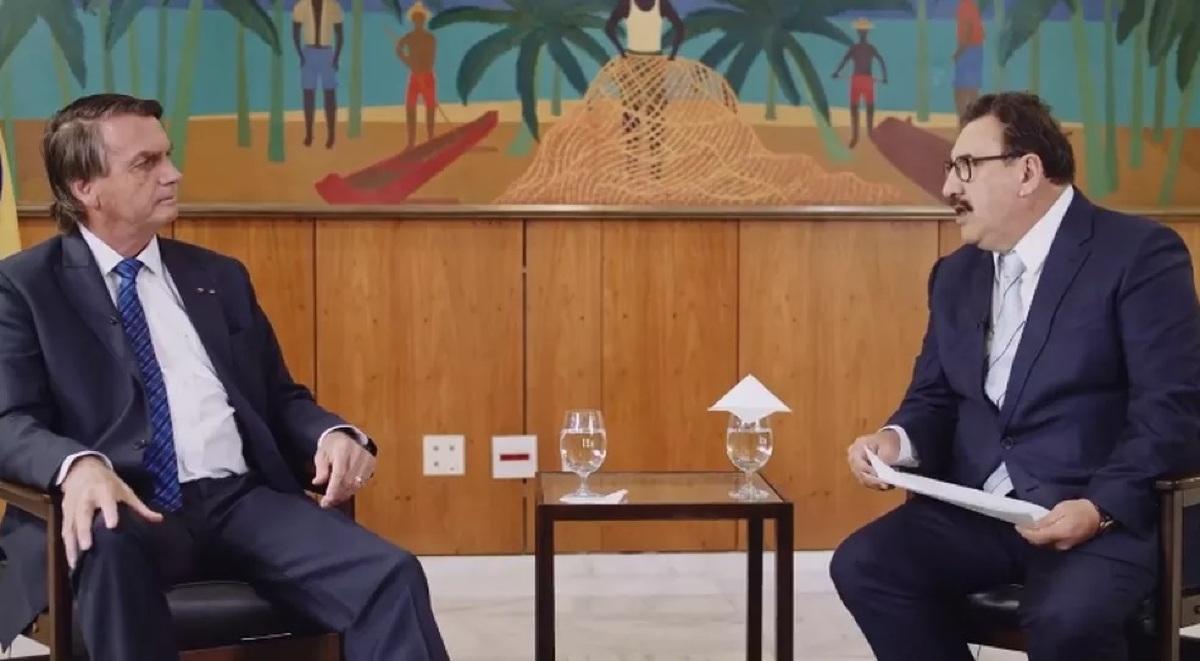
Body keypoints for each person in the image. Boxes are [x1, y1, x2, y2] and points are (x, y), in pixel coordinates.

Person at [0, 94, 449, 661]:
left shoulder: (218, 276)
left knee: (389, 574)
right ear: (85, 187)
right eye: (146, 163)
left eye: (168, 156)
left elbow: (278, 398)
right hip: (126, 505)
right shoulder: (24, 287)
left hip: (238, 500)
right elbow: (8, 422)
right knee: (104, 542)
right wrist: (77, 465)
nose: (172, 174)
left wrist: (331, 434)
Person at [831, 91, 1200, 661]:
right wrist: (894, 441)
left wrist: (1099, 508)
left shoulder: (1139, 255)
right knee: (866, 566)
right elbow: (934, 398)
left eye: (965, 167)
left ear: (1027, 171)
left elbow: (1169, 408)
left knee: (1066, 620)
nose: (948, 187)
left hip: (1097, 514)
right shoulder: (955, 275)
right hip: (982, 510)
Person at [293, 0, 344, 148]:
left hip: (327, 52)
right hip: (308, 52)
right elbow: (295, 32)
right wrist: (300, 55)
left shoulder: (333, 6)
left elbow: (339, 34)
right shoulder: (301, 6)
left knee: (330, 95)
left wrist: (336, 57)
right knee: (308, 94)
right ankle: (309, 134)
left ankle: (331, 135)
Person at [832, 18, 889, 149]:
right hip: (866, 80)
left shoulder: (855, 48)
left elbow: (844, 61)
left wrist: (836, 73)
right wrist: (884, 77)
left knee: (855, 107)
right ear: (867, 33)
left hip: (857, 80)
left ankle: (855, 136)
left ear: (858, 32)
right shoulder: (870, 48)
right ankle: (869, 133)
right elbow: (881, 61)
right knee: (868, 107)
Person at [395, 1, 438, 150]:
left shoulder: (430, 38)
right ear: (413, 21)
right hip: (414, 76)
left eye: (420, 19)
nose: (418, 22)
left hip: (427, 75)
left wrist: (422, 71)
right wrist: (408, 62)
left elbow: (431, 58)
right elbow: (398, 48)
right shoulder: (409, 37)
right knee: (410, 107)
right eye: (416, 19)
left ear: (423, 21)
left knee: (430, 107)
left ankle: (431, 138)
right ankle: (411, 142)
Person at [954, 0, 985, 121]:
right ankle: (972, 120)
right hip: (976, 49)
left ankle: (964, 121)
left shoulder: (965, 6)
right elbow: (982, 31)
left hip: (969, 50)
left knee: (961, 91)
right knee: (972, 89)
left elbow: (968, 29)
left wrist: (960, 51)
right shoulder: (972, 5)